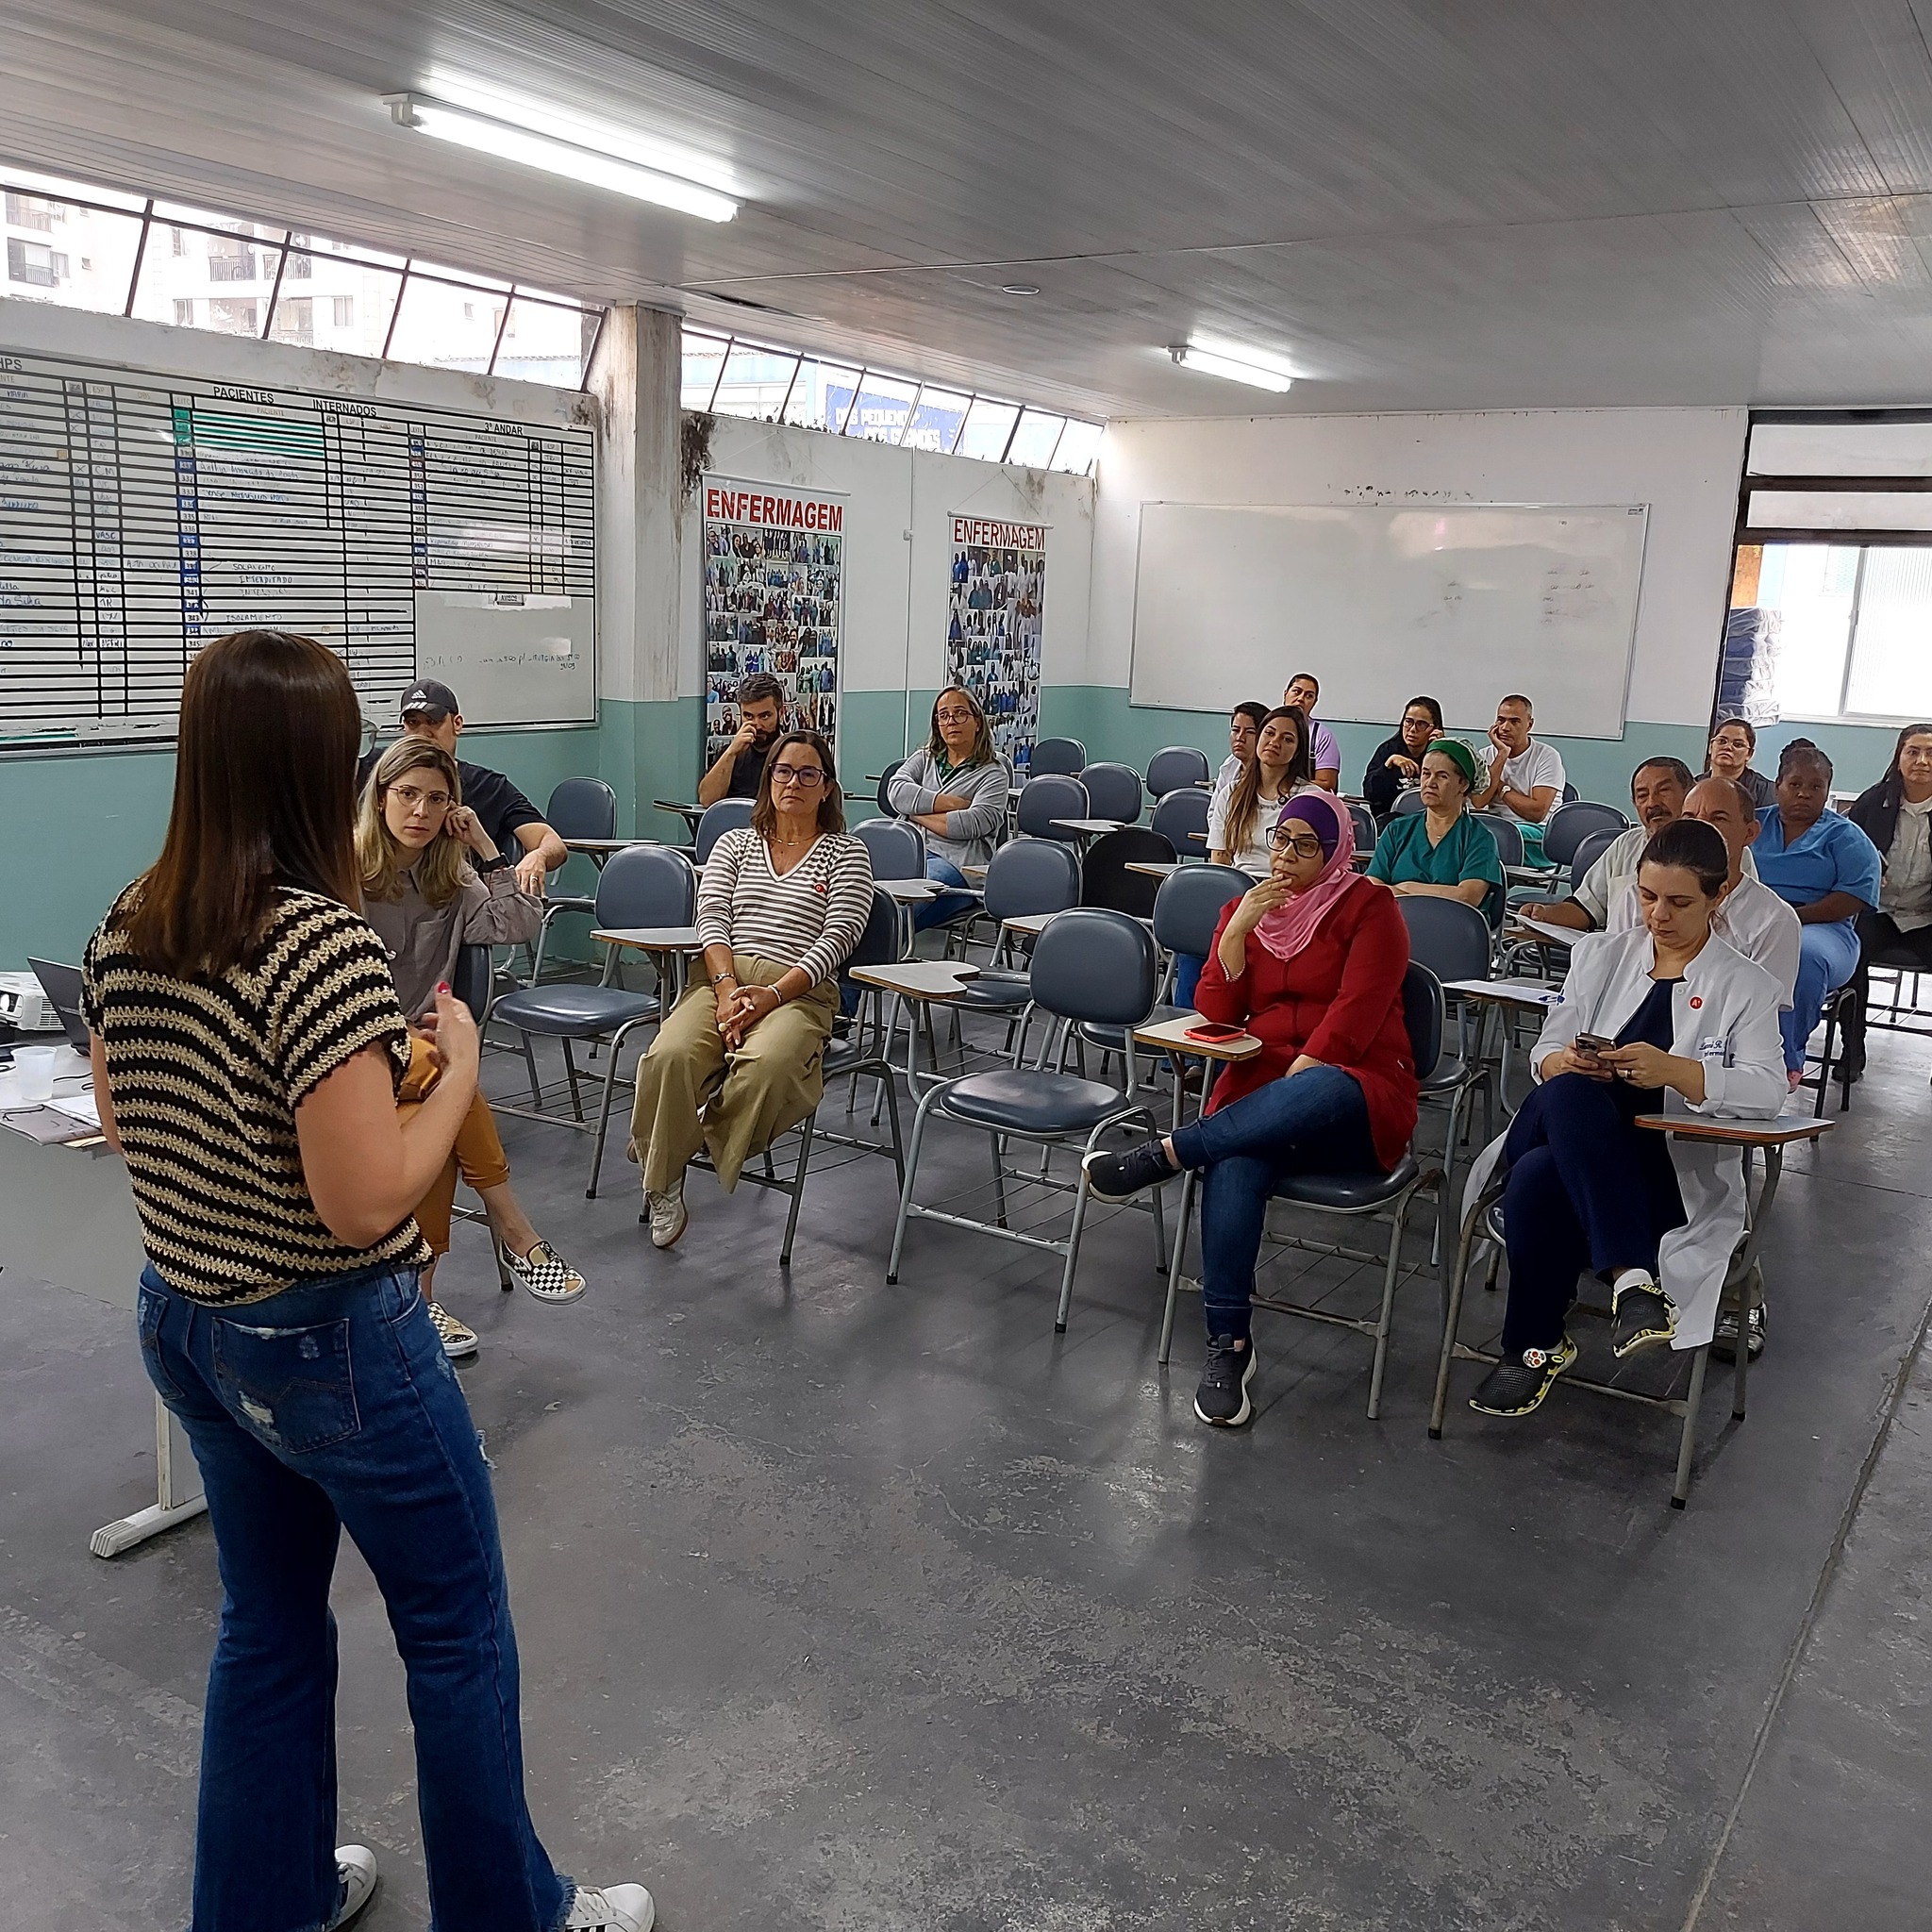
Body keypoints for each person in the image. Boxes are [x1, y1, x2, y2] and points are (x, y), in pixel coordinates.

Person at [82, 630, 653, 1932]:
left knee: (267, 1622)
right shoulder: (317, 942)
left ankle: (267, 1901)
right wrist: (455, 1068)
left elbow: (124, 1117)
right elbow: (365, 1200)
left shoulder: (133, 914)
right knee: (455, 1628)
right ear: (322, 763)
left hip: (188, 1316)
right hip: (329, 1337)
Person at [1082, 793, 1418, 1430]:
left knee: (1317, 1090)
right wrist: (1238, 930)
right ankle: (1228, 1343)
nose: (1287, 855)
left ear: (1335, 851)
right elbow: (1216, 1013)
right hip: (1261, 1093)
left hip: (1356, 1086)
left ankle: (1169, 1153)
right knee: (1235, 1158)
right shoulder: (1245, 907)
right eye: (1281, 840)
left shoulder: (1370, 907)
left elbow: (1361, 1007)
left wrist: (1305, 1070)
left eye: (1306, 845)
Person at [1461, 819, 1785, 1417]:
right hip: (1581, 1138)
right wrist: (1565, 1060)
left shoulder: (1746, 986)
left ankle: (1535, 1347)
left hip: (1661, 1179)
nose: (1658, 915)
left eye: (1679, 902)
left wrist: (1676, 1071)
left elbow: (1768, 1092)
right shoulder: (1600, 955)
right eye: (1647, 896)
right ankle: (1632, 1279)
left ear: (1718, 897)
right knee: (1569, 1092)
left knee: (1536, 1176)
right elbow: (1544, 1052)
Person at [358, 740, 589, 1358]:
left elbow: (516, 926)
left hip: (421, 1053)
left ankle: (421, 1301)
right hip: (357, 1048)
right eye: (408, 794)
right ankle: (514, 1228)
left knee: (436, 1105)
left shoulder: (451, 876)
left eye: (436, 799)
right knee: (449, 1080)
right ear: (380, 798)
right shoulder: (345, 873)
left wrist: (488, 849)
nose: (421, 811)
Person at [630, 728, 873, 1248]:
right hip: (724, 980)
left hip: (797, 991)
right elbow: (712, 917)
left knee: (769, 1065)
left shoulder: (847, 853)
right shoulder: (735, 844)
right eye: (783, 771)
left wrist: (772, 996)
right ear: (768, 780)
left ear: (827, 788)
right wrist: (725, 991)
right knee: (670, 1055)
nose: (793, 783)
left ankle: (670, 1143)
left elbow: (839, 939)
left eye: (808, 774)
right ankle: (664, 1181)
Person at [358, 679, 566, 898]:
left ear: (457, 724)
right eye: (413, 723)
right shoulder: (377, 771)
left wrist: (539, 856)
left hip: (459, 900)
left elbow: (551, 842)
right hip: (384, 893)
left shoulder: (489, 787)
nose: (423, 733)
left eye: (433, 722)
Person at [1752, 741, 1882, 1088]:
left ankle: (1784, 1061)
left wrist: (1790, 919)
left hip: (1823, 929)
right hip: (1751, 921)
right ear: (1778, 785)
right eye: (1795, 784)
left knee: (1804, 956)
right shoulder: (1752, 826)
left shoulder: (1846, 836)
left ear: (1827, 791)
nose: (1804, 793)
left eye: (1815, 786)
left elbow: (1854, 897)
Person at [1840, 722, 1932, 1083]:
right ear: (1899, 757)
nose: (1922, 761)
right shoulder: (1873, 801)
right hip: (1877, 911)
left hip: (1926, 916)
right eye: (1913, 752)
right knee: (1850, 956)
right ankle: (1852, 1051)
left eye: (1931, 753)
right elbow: (1845, 848)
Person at [1513, 757, 1693, 934]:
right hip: (1620, 950)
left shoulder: (1705, 849)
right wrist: (1544, 914)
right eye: (1642, 795)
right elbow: (1586, 908)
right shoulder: (1625, 845)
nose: (1653, 803)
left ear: (1689, 793)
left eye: (1664, 791)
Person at [887, 686, 1009, 929]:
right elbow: (896, 791)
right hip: (909, 852)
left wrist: (913, 812)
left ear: (977, 722)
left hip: (957, 866)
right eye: (943, 715)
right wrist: (951, 804)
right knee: (855, 895)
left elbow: (969, 824)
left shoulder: (994, 773)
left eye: (960, 713)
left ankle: (875, 952)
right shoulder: (925, 757)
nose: (951, 721)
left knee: (895, 917)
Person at [1365, 739, 1504, 924]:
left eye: (1442, 776)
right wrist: (1439, 893)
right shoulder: (1397, 830)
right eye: (1426, 773)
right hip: (1392, 925)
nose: (1430, 782)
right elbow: (1373, 886)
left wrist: (1405, 888)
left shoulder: (1479, 838)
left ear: (1463, 784)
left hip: (1451, 930)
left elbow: (1468, 897)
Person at [1208, 705, 1316, 874]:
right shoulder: (1231, 793)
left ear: (1297, 751)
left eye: (1287, 739)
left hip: (1287, 884)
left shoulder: (1310, 798)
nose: (1274, 742)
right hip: (1239, 884)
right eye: (1270, 733)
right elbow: (1220, 860)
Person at [1470, 693, 1565, 829]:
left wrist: (1499, 786)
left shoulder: (1547, 756)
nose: (1505, 728)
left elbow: (1537, 813)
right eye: (1501, 720)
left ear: (1529, 725)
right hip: (1496, 825)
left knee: (1503, 834)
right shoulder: (1485, 755)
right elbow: (1478, 803)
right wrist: (1502, 755)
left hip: (1536, 828)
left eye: (1514, 722)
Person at [697, 670, 785, 806]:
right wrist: (731, 752)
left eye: (765, 716)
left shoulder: (792, 752)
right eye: (748, 716)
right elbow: (706, 800)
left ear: (781, 712)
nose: (757, 725)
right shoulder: (732, 753)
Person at [1360, 694, 1443, 820]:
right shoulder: (1388, 749)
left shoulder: (1443, 753)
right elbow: (1370, 795)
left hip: (1432, 821)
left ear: (1434, 728)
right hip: (1391, 821)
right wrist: (1387, 766)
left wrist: (1440, 752)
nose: (1412, 729)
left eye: (1421, 724)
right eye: (1408, 722)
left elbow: (1452, 795)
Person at [1283, 672, 1341, 790]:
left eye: (1309, 696)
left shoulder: (1321, 736)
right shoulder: (1265, 726)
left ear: (1314, 702)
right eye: (1296, 692)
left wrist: (1288, 786)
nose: (1301, 699)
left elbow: (1327, 785)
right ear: (1285, 694)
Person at [1706, 715, 1776, 811]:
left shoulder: (1765, 791)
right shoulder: (1695, 785)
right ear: (1710, 747)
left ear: (1749, 754)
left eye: (1737, 744)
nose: (1727, 747)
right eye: (1722, 741)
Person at [1212, 699, 1273, 791]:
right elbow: (1216, 801)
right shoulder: (1230, 764)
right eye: (1235, 730)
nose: (1240, 737)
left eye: (1249, 732)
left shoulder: (1272, 771)